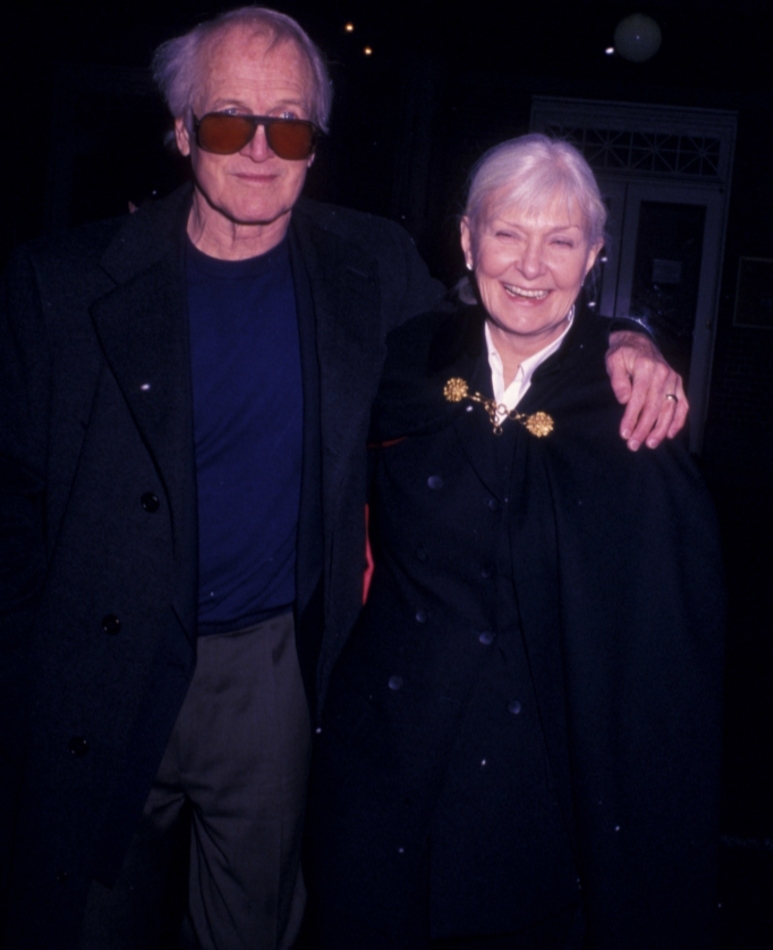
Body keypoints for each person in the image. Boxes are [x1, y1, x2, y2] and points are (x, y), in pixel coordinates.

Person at [0, 7, 685, 948]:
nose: (258, 150)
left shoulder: (370, 267)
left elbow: (511, 310)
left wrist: (629, 340)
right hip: (95, 667)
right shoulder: (60, 285)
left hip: (271, 674)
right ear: (180, 128)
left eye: (287, 124)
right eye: (230, 120)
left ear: (314, 144)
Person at [306, 134, 725, 949]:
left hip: (534, 784)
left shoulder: (629, 413)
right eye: (507, 233)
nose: (531, 266)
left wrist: (628, 333)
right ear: (466, 238)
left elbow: (672, 639)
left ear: (595, 255)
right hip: (383, 755)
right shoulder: (403, 362)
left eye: (561, 240)